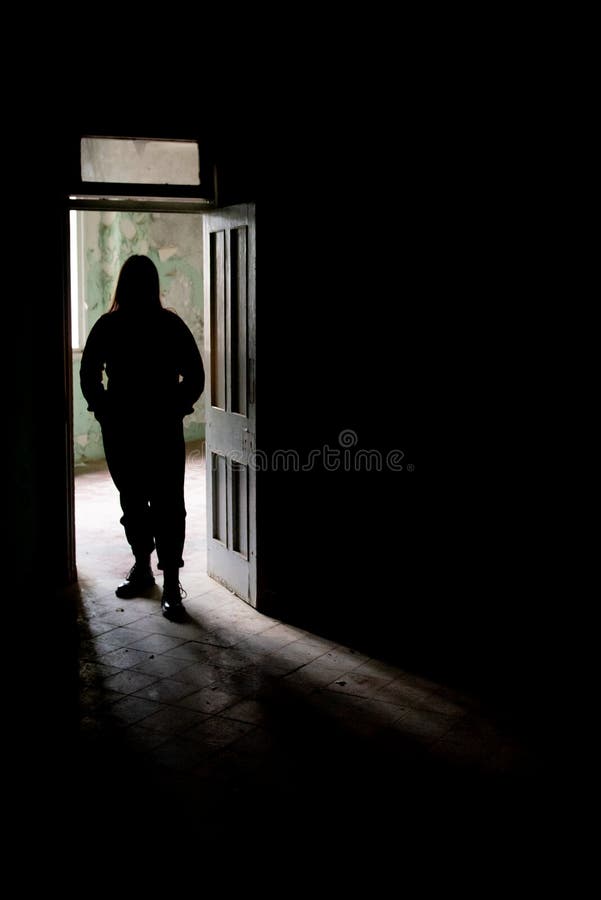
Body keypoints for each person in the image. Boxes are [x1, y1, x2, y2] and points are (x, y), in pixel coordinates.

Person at [80, 255, 205, 621]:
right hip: (154, 430)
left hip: (127, 429)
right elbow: (194, 377)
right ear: (154, 285)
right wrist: (175, 407)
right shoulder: (168, 325)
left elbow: (89, 375)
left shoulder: (111, 325)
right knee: (164, 504)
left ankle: (150, 572)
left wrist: (104, 408)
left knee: (137, 501)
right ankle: (163, 581)